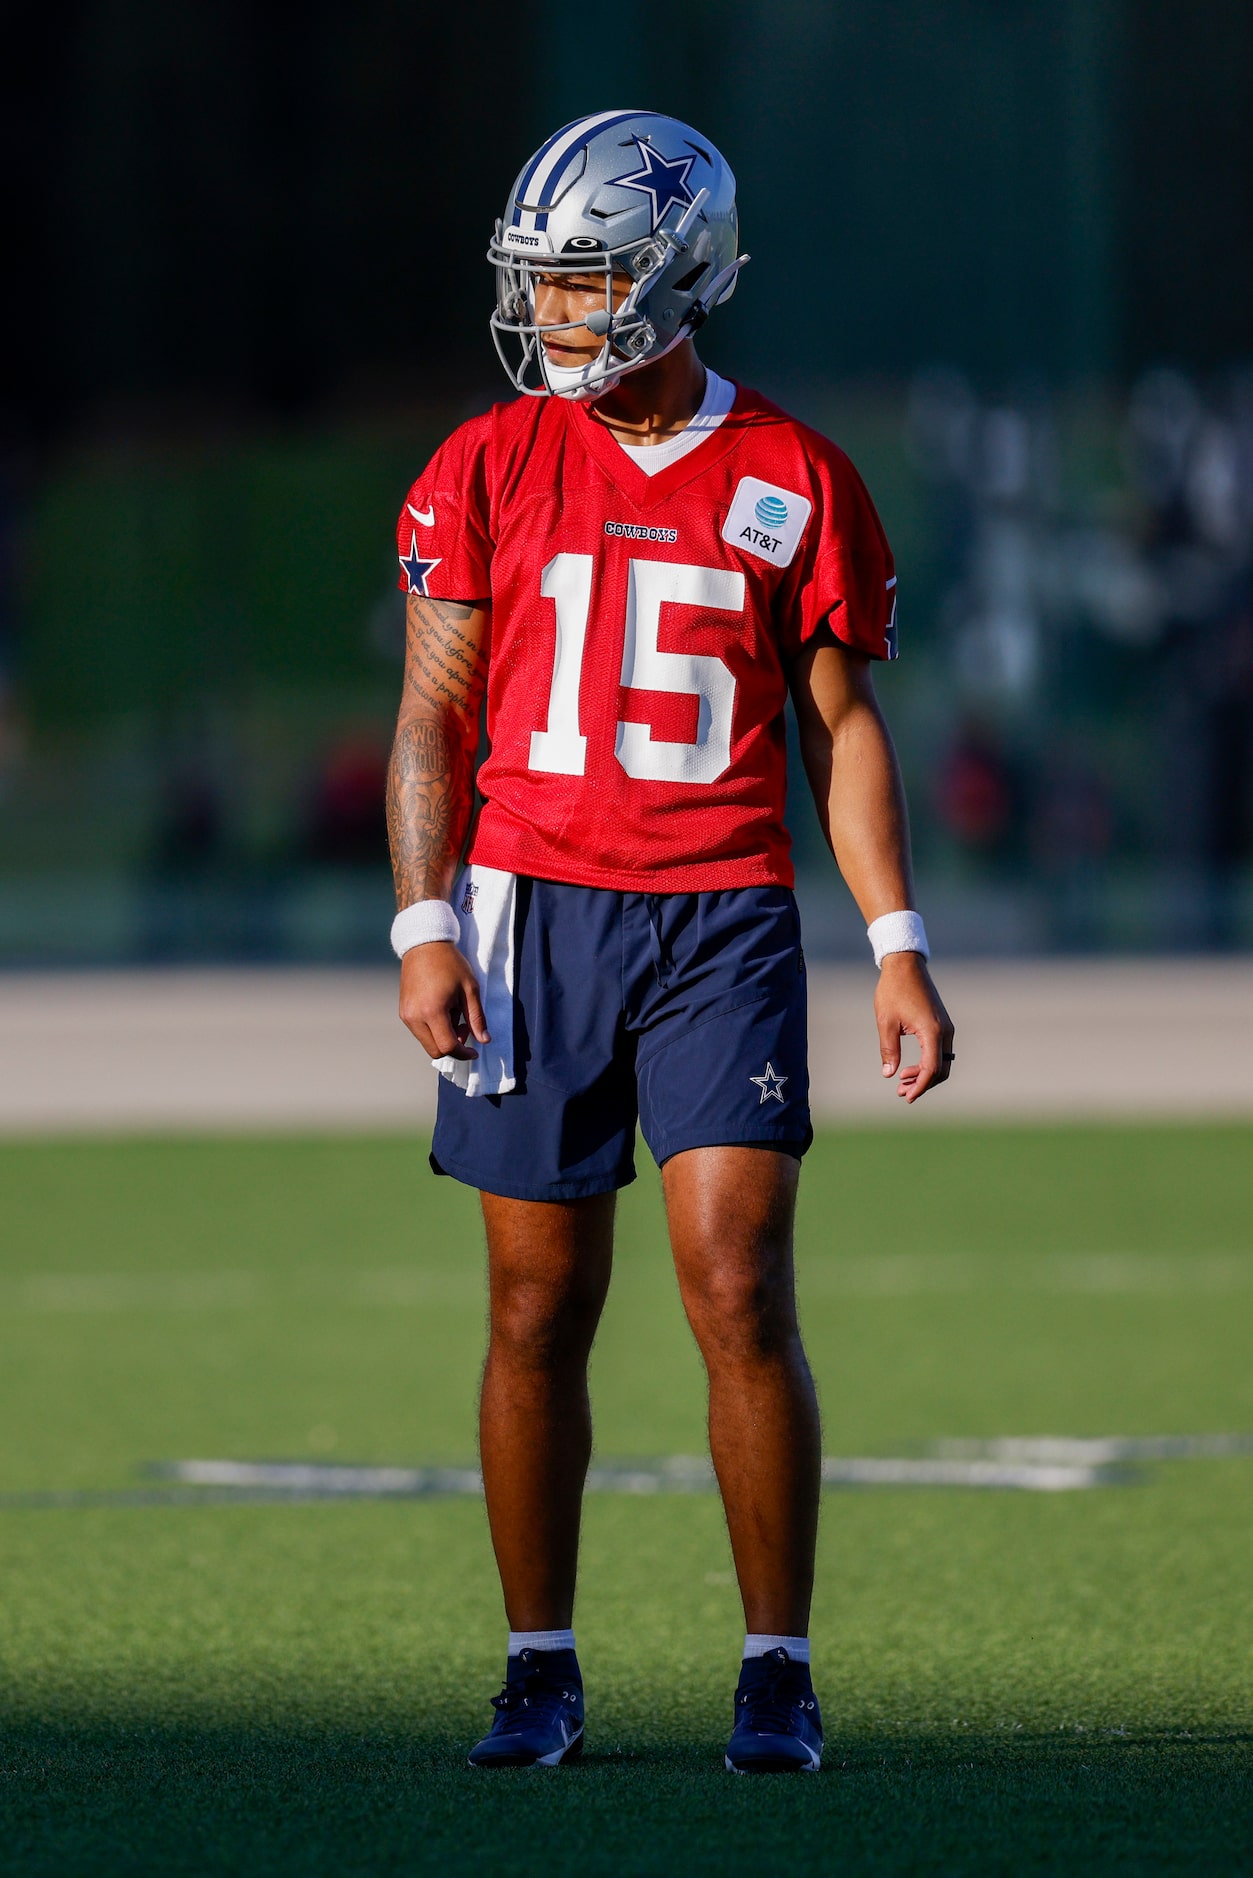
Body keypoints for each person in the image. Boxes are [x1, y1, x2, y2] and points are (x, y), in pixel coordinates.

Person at [386, 109, 954, 1774]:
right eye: (542, 284)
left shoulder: (791, 471)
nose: (557, 315)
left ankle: (774, 1665)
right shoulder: (485, 460)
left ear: (679, 273)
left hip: (720, 916)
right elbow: (430, 718)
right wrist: (424, 920)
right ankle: (536, 1662)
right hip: (528, 908)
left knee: (736, 1279)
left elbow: (839, 728)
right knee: (532, 1299)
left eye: (587, 280)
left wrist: (897, 939)